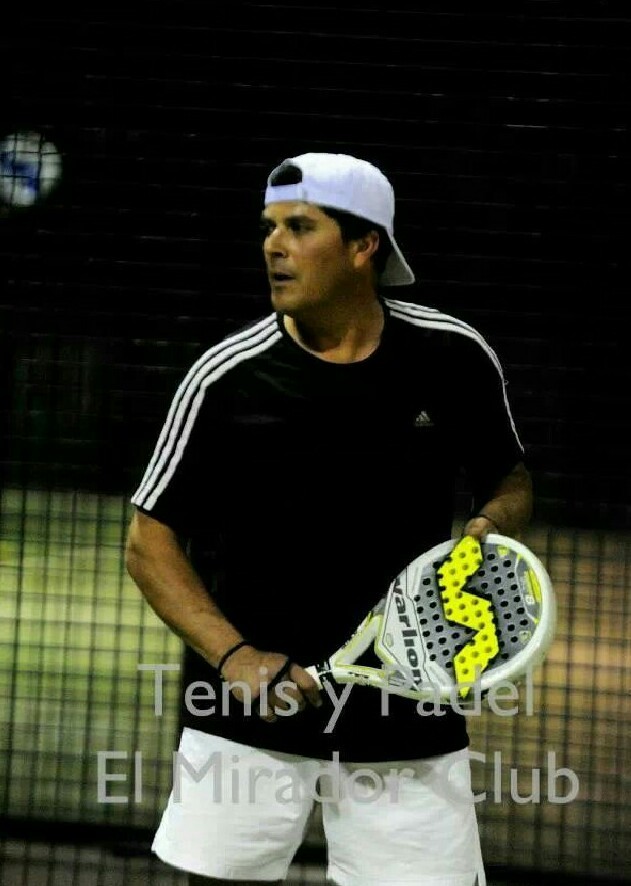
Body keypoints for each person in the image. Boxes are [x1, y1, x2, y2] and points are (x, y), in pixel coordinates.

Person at [125, 152, 533, 886]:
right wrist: (234, 656)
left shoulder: (452, 356)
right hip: (245, 716)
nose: (273, 246)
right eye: (268, 228)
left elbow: (509, 478)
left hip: (410, 707)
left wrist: (488, 526)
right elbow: (147, 540)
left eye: (299, 227)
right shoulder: (225, 376)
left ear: (363, 245)